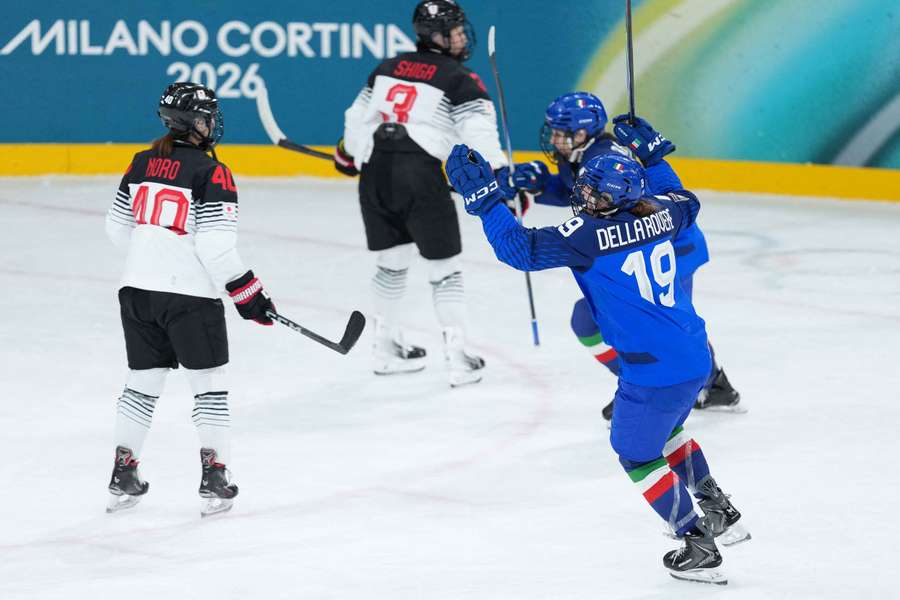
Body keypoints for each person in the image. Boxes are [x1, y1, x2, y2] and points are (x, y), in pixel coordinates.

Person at [446, 145, 749, 583]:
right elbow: (687, 200)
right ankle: (719, 508)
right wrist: (655, 156)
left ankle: (697, 543)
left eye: (595, 194)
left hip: (653, 371)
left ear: (618, 200)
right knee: (669, 433)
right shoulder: (663, 211)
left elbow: (520, 251)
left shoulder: (585, 234)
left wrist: (486, 201)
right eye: (585, 187)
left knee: (636, 455)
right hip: (694, 355)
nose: (586, 197)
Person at [507, 92, 740, 416]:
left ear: (582, 133)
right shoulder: (590, 156)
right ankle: (665, 386)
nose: (554, 139)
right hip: (659, 245)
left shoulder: (601, 161)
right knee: (600, 320)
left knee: (661, 323)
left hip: (670, 248)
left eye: (561, 132)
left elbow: (629, 210)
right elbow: (580, 194)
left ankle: (678, 388)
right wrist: (539, 183)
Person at [335, 0, 528, 387]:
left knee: (391, 263)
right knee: (445, 269)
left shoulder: (388, 66)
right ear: (437, 37)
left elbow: (356, 117)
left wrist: (350, 154)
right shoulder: (459, 78)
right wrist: (502, 176)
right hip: (419, 175)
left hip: (375, 174)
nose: (461, 36)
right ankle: (458, 358)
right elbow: (477, 131)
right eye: (455, 30)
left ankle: (385, 348)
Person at [104, 82, 276, 516]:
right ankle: (215, 476)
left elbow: (117, 228)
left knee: (142, 381)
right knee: (209, 386)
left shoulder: (142, 162)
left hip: (137, 291)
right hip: (189, 298)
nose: (212, 123)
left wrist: (155, 257)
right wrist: (249, 294)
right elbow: (216, 249)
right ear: (192, 123)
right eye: (206, 116)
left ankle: (123, 473)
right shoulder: (211, 171)